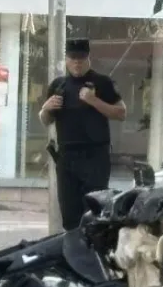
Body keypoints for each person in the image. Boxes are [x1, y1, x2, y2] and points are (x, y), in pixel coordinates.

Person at [39, 38, 127, 230]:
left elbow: (121, 113)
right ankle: (73, 255)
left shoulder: (102, 82)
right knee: (70, 216)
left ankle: (93, 254)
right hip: (66, 158)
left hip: (94, 157)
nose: (77, 62)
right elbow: (47, 120)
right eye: (72, 58)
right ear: (66, 59)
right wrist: (45, 109)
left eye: (81, 58)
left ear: (88, 58)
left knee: (94, 214)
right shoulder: (58, 85)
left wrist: (94, 101)